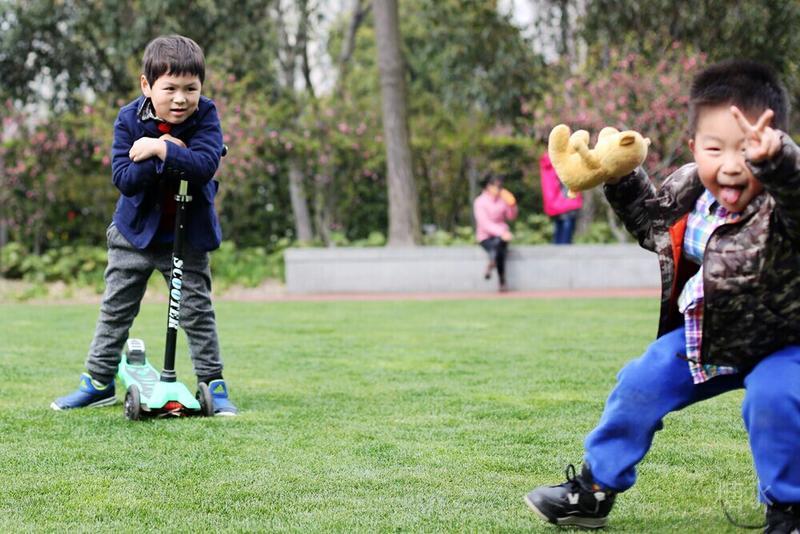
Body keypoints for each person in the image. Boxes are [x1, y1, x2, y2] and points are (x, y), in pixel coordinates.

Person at [524, 60, 800, 531]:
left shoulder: (784, 197)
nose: (731, 165)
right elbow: (652, 225)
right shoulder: (693, 188)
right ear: (694, 147)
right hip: (709, 335)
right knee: (639, 382)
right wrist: (619, 177)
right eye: (715, 148)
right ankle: (593, 491)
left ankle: (789, 509)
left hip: (784, 342)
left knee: (774, 399)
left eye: (748, 149)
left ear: (774, 142)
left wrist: (780, 165)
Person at [51, 35, 238, 416]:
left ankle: (213, 384)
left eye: (191, 89)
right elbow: (125, 178)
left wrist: (158, 147)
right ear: (147, 86)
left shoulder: (206, 115)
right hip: (133, 235)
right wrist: (170, 153)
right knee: (116, 309)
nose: (181, 99)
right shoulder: (128, 119)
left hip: (186, 236)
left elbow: (205, 166)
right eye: (170, 88)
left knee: (196, 312)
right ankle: (98, 382)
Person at [473, 173, 518, 291]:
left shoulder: (502, 200)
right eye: (497, 186)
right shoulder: (480, 201)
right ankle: (502, 280)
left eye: (500, 186)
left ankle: (492, 261)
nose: (499, 189)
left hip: (501, 236)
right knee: (498, 248)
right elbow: (484, 224)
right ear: (488, 186)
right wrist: (501, 233)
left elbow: (511, 216)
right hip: (485, 236)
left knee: (498, 246)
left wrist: (512, 205)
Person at [540, 151, 583, 244]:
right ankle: (564, 249)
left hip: (554, 203)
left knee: (559, 226)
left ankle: (557, 249)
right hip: (567, 201)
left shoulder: (547, 162)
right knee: (567, 226)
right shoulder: (560, 160)